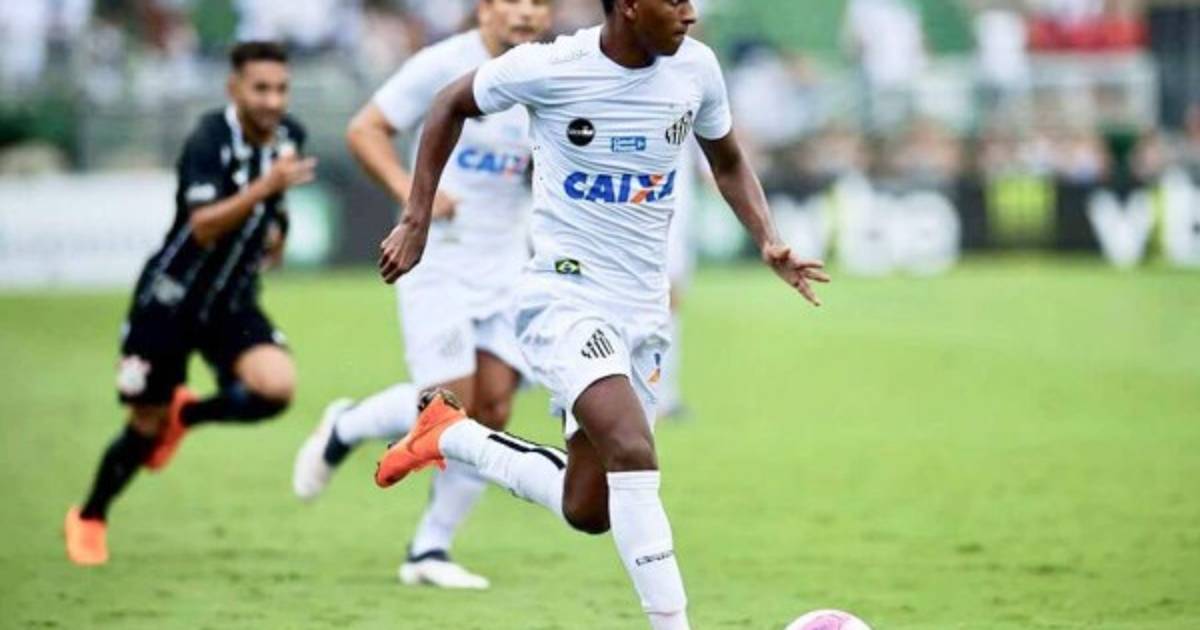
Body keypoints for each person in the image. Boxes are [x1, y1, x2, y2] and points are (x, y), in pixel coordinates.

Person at [374, 0, 830, 627]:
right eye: (674, 0)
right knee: (633, 450)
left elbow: (726, 162)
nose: (690, 13)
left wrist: (768, 239)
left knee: (589, 508)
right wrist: (416, 217)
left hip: (643, 309)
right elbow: (449, 102)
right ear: (629, 7)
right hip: (564, 298)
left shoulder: (696, 69)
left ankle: (450, 436)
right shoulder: (553, 66)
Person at [291, 0, 553, 589]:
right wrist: (417, 198)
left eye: (540, 2)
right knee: (448, 405)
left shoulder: (549, 71)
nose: (527, 13)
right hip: (437, 259)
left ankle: (430, 548)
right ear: (484, 8)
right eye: (514, 0)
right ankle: (347, 426)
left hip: (508, 264)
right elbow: (365, 129)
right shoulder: (443, 65)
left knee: (494, 408)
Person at [64, 41, 315, 567]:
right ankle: (90, 516)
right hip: (170, 300)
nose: (273, 101)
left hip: (232, 302)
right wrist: (265, 187)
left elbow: (278, 202)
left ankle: (189, 414)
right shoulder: (208, 139)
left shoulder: (290, 135)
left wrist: (279, 230)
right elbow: (202, 225)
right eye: (261, 89)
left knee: (276, 389)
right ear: (234, 89)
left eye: (281, 89)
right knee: (144, 425)